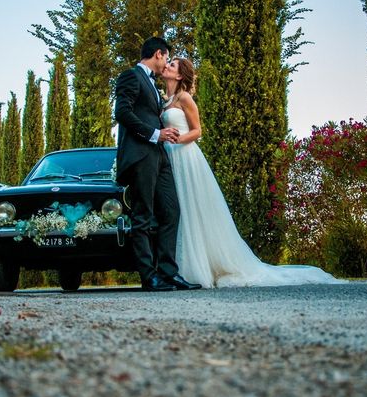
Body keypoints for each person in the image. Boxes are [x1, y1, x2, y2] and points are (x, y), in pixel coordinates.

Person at [159, 57, 344, 287]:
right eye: (168, 63)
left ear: (179, 76)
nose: (167, 65)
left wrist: (176, 139)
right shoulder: (166, 101)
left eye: (172, 65)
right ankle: (179, 267)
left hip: (185, 155)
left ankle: (197, 270)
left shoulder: (184, 98)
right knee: (180, 210)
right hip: (169, 157)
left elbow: (197, 131)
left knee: (192, 207)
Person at [114, 37, 201, 292]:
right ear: (159, 54)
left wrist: (163, 136)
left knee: (171, 211)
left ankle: (168, 272)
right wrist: (155, 134)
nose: (166, 63)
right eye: (167, 58)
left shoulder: (155, 87)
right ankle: (149, 276)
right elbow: (122, 112)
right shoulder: (131, 76)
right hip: (142, 155)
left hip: (160, 156)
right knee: (143, 216)